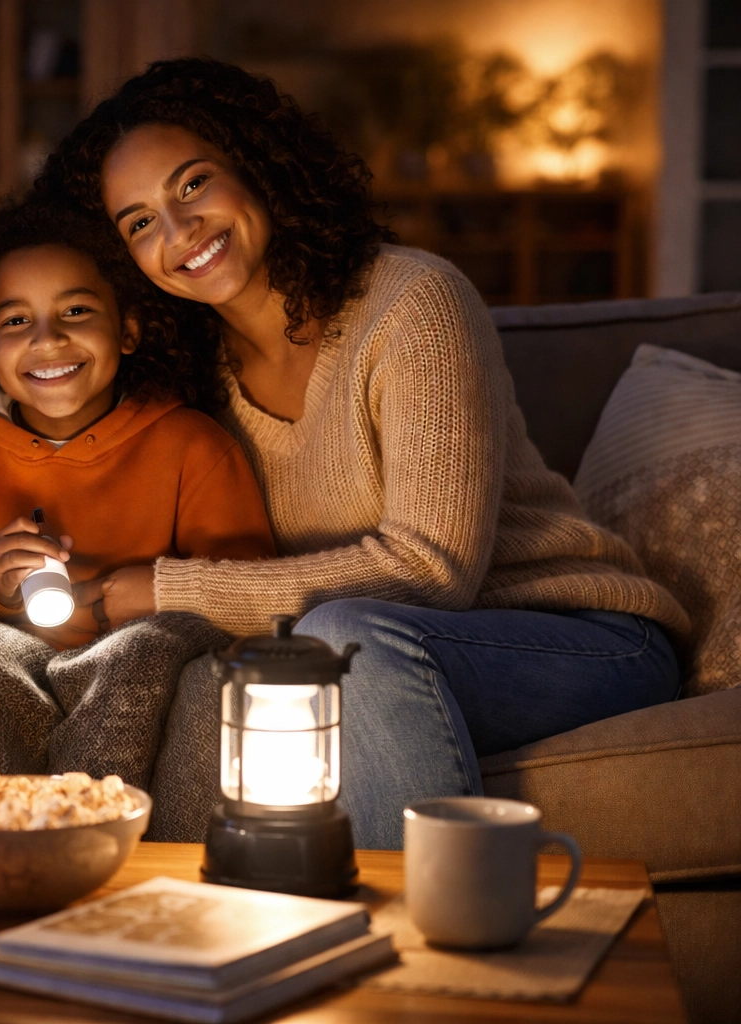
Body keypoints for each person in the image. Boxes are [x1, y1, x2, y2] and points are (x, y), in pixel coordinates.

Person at [34, 58, 687, 846]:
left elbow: (431, 574)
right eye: (138, 223)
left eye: (192, 185)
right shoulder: (190, 379)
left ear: (256, 164)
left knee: (347, 640)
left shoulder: (412, 303)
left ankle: (425, 943)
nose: (178, 234)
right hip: (369, 651)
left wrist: (164, 588)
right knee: (247, 676)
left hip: (576, 641)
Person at [0, 197, 276, 794]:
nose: (49, 339)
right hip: (11, 662)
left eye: (76, 310)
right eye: (16, 321)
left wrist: (146, 598)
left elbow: (245, 594)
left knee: (160, 653)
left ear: (128, 331)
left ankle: (108, 846)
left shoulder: (191, 444)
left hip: (141, 667)